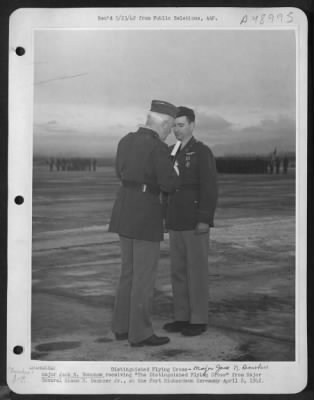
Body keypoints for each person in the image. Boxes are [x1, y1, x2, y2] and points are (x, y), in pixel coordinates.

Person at [109, 100, 179, 347]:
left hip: (124, 210)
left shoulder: (125, 141)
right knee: (144, 277)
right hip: (146, 214)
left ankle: (121, 327)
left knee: (127, 273)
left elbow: (120, 172)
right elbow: (169, 184)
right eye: (169, 127)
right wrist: (173, 169)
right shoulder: (158, 148)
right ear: (163, 123)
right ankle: (140, 333)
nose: (170, 131)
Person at [163, 106, 218, 336]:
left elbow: (209, 188)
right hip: (175, 221)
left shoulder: (202, 152)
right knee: (178, 272)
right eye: (174, 126)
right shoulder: (170, 152)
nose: (177, 130)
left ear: (192, 125)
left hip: (195, 222)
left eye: (181, 125)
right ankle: (181, 316)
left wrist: (204, 219)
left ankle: (198, 319)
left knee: (196, 272)